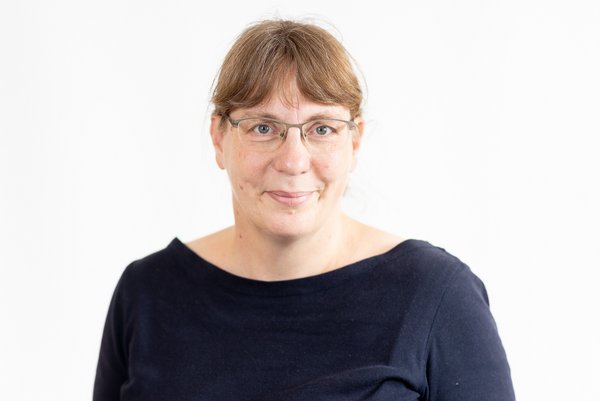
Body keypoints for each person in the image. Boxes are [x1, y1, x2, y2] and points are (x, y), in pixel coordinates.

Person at [93, 19, 515, 401]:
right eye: (263, 127)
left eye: (321, 128)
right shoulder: (146, 293)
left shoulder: (437, 295)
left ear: (354, 141)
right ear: (219, 138)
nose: (293, 161)